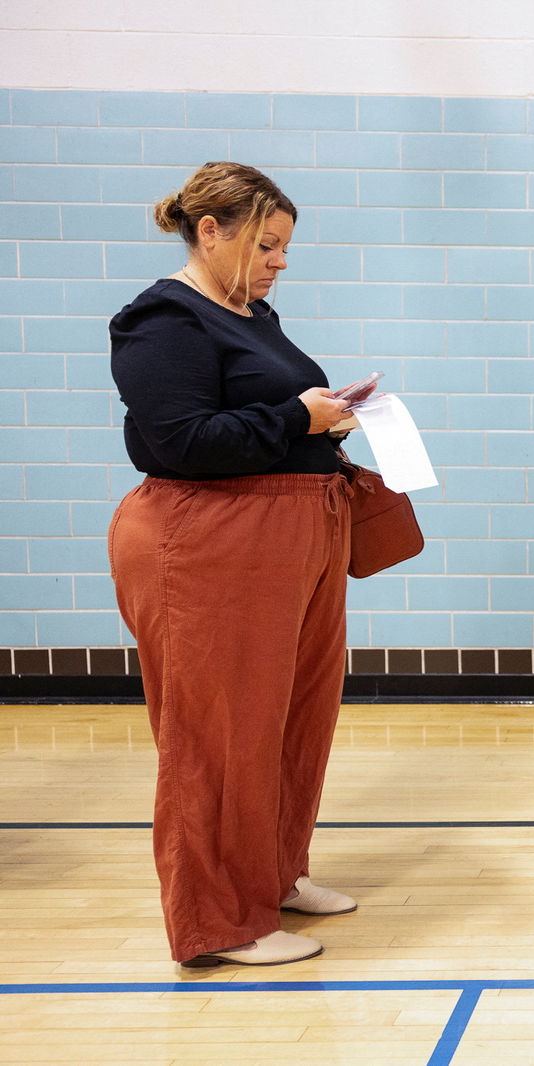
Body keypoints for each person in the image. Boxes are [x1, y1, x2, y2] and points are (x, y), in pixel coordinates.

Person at [107, 161, 359, 968]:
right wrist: (296, 415)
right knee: (219, 738)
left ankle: (274, 874)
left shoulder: (249, 312)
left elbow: (265, 421)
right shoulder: (162, 321)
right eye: (268, 244)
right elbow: (181, 442)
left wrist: (324, 425)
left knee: (292, 721)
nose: (281, 260)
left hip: (288, 541)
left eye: (285, 246)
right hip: (207, 548)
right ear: (210, 232)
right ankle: (220, 922)